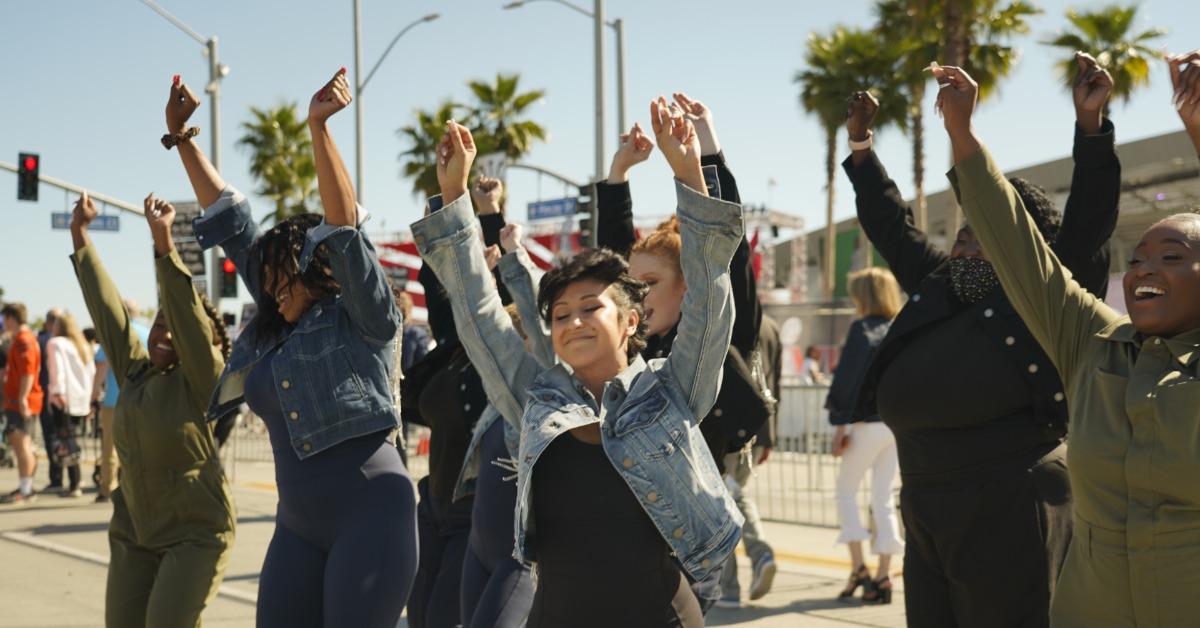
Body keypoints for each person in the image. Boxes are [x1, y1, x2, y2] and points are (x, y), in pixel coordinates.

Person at [413, 99, 744, 627]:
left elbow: (710, 300)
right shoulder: (534, 401)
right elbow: (478, 312)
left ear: (631, 321)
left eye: (591, 308)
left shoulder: (672, 390)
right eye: (561, 314)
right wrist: (454, 195)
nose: (572, 323)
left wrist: (689, 174)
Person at [843, 52, 1120, 627]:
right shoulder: (942, 284)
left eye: (983, 237)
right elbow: (891, 226)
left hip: (1010, 500)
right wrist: (862, 149)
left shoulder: (1049, 296)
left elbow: (1092, 217)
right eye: (963, 237)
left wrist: (1090, 129)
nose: (966, 248)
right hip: (925, 499)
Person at [933, 51, 1200, 628]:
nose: (1144, 270)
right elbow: (1018, 248)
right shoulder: (1094, 340)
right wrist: (962, 131)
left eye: (1172, 257)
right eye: (1138, 258)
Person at [175, 70, 417, 627]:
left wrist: (318, 127)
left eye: (283, 278)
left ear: (318, 269)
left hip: (372, 511)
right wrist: (183, 138)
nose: (271, 290)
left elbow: (344, 232)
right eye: (266, 282)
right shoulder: (272, 332)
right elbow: (229, 219)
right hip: (296, 525)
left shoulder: (363, 315)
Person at [597, 94, 775, 610]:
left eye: (650, 283)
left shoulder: (718, 331)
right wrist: (618, 174)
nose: (638, 295)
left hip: (685, 553)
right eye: (633, 284)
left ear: (687, 286)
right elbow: (611, 260)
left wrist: (706, 157)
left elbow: (726, 251)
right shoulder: (632, 349)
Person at [70, 190, 235, 626]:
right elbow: (109, 314)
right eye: (158, 325)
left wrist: (163, 243)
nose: (162, 334)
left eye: (172, 327)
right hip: (135, 530)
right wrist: (80, 234)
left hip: (194, 533)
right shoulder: (136, 374)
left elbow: (187, 319)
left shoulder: (202, 378)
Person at [400, 176, 513, 628]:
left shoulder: (509, 348)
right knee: (422, 616)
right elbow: (436, 276)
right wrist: (446, 199)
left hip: (477, 517)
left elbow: (496, 287)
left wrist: (487, 212)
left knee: (445, 615)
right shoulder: (454, 341)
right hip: (432, 507)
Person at [825, 268, 904, 603]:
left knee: (846, 493)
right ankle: (885, 576)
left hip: (866, 425)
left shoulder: (862, 330)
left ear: (864, 296)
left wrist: (839, 426)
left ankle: (859, 568)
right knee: (883, 499)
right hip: (896, 426)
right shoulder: (900, 329)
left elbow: (847, 381)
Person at [91, 304, 150, 503]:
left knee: (111, 446)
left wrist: (94, 394)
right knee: (139, 445)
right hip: (143, 398)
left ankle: (108, 487)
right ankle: (137, 487)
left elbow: (102, 366)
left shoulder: (113, 333)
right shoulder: (147, 333)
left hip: (115, 398)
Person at [45, 312, 96, 498]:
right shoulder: (82, 345)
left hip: (63, 398)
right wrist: (90, 398)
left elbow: (56, 369)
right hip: (81, 399)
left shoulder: (56, 343)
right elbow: (91, 372)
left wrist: (57, 391)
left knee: (65, 440)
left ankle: (74, 483)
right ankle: (76, 481)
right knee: (72, 438)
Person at [1, 302, 43, 504]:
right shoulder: (21, 339)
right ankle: (25, 486)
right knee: (21, 444)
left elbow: (27, 373)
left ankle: (26, 490)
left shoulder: (23, 341)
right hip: (18, 399)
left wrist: (22, 398)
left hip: (21, 401)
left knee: (22, 443)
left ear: (11, 318)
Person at [36, 308, 63, 492]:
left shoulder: (44, 341)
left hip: (47, 395)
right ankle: (71, 478)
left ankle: (56, 479)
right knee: (65, 437)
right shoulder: (71, 342)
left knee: (51, 437)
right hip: (66, 398)